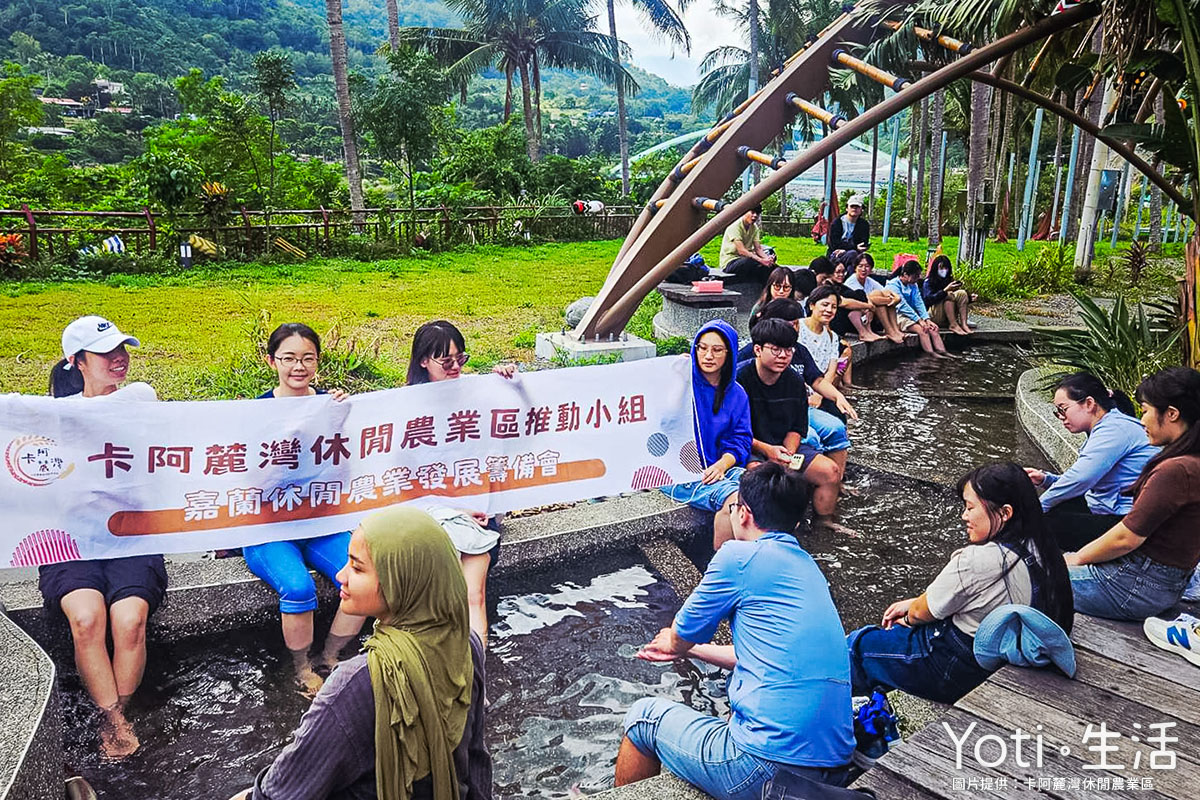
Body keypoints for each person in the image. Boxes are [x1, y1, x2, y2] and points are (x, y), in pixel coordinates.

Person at [616, 464, 855, 800]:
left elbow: (683, 629)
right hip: (832, 766)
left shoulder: (738, 555)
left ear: (742, 514)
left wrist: (674, 641)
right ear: (795, 521)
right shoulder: (806, 567)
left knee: (644, 718)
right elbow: (758, 656)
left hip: (764, 769)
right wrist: (692, 650)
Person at [229, 507, 492, 800]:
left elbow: (278, 795)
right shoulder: (464, 642)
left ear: (399, 581)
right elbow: (475, 759)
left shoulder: (356, 683)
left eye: (357, 567)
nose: (340, 575)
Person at [42, 315, 166, 759]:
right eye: (106, 353)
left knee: (129, 620)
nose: (120, 359)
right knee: (87, 619)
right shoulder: (50, 416)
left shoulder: (140, 397)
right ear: (76, 361)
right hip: (70, 539)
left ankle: (119, 716)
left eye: (123, 349)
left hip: (132, 534)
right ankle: (111, 720)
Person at [846, 462, 1074, 704]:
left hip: (955, 666)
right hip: (999, 654)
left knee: (860, 645)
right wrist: (913, 603)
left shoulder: (976, 560)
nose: (964, 516)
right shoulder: (1040, 546)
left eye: (970, 508)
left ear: (1005, 513)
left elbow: (923, 612)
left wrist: (906, 618)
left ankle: (831, 713)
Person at [249, 323, 365, 697]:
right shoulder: (250, 414)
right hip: (270, 527)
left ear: (317, 361)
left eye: (307, 358)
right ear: (271, 361)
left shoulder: (330, 406)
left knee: (364, 577)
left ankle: (330, 656)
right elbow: (246, 483)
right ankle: (300, 669)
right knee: (298, 588)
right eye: (288, 358)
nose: (298, 367)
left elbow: (345, 471)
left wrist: (339, 422)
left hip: (321, 520)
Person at [406, 319, 514, 646]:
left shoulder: (479, 393)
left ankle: (474, 666)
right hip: (433, 514)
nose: (456, 367)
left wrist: (511, 383)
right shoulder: (404, 410)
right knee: (446, 585)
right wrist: (452, 511)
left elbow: (519, 422)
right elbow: (403, 483)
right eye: (446, 361)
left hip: (478, 513)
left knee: (472, 593)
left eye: (461, 359)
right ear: (423, 360)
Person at [1066, 367, 1200, 620]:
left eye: (1145, 411)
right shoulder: (1191, 461)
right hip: (1163, 585)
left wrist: (1077, 559)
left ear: (1171, 414)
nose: (1141, 421)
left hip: (1132, 586)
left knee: (1025, 574)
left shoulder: (1176, 470)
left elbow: (1126, 538)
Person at [1024, 373, 1158, 552]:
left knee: (1046, 523)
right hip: (1110, 508)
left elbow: (1080, 479)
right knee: (1055, 508)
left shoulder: (1114, 429)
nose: (1061, 417)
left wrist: (1037, 509)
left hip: (1129, 522)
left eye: (1063, 409)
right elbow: (1085, 482)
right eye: (1057, 412)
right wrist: (1046, 479)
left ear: (1089, 403)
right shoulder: (1108, 426)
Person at [736, 318, 846, 526]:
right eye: (776, 350)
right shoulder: (739, 379)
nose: (783, 356)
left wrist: (787, 455)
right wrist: (768, 450)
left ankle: (824, 520)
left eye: (789, 350)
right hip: (749, 446)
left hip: (784, 447)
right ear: (758, 350)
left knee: (830, 472)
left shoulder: (795, 382)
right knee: (762, 479)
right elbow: (733, 430)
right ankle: (765, 528)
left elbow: (797, 427)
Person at [661, 321, 752, 550]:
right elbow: (664, 421)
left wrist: (722, 465)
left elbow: (741, 439)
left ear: (729, 353)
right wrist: (677, 380)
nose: (708, 355)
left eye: (717, 350)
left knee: (760, 490)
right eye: (701, 348)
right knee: (734, 498)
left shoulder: (737, 393)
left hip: (719, 467)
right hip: (678, 472)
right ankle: (721, 571)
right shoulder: (678, 383)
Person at [885, 260, 949, 357]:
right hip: (897, 316)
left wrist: (927, 319)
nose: (918, 278)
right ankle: (931, 354)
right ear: (905, 274)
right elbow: (903, 306)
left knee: (933, 329)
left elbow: (919, 302)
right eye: (916, 276)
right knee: (922, 330)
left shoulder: (913, 285)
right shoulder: (893, 285)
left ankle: (943, 352)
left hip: (912, 315)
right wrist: (919, 320)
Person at [799, 285, 854, 392]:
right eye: (825, 305)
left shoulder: (832, 337)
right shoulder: (797, 328)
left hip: (821, 390)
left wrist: (820, 394)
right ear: (812, 305)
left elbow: (830, 372)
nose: (829, 310)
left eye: (834, 307)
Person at [811, 257, 876, 341]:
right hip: (830, 321)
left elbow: (863, 295)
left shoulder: (839, 286)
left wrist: (868, 306)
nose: (841, 275)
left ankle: (869, 332)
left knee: (859, 294)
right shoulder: (822, 287)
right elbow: (843, 302)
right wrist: (869, 306)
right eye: (838, 272)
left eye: (843, 272)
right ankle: (864, 333)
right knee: (849, 307)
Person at [844, 253, 904, 344]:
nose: (863, 269)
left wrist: (896, 297)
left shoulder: (868, 280)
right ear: (855, 268)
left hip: (871, 315)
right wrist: (889, 300)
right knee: (879, 297)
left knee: (882, 295)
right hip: (858, 319)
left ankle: (895, 330)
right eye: (860, 266)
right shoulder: (851, 282)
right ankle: (889, 331)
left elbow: (886, 291)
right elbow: (865, 300)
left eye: (867, 266)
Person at [718, 204, 776, 283]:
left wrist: (767, 259)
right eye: (752, 212)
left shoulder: (754, 228)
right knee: (750, 262)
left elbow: (758, 248)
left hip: (748, 259)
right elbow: (741, 250)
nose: (755, 216)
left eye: (757, 214)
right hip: (731, 262)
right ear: (745, 212)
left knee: (772, 265)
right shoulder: (735, 226)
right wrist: (760, 260)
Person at [922, 255, 974, 336]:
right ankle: (953, 324)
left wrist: (970, 298)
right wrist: (945, 291)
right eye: (941, 268)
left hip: (950, 313)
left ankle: (964, 324)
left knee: (962, 293)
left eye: (946, 268)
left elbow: (957, 298)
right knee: (948, 295)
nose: (944, 271)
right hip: (934, 314)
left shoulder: (948, 280)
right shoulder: (928, 282)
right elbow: (928, 300)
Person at [827, 195, 870, 260]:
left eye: (857, 207)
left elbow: (863, 243)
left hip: (855, 254)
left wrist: (851, 249)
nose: (854, 209)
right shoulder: (837, 223)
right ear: (847, 208)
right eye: (852, 206)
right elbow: (834, 243)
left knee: (853, 256)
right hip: (836, 253)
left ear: (862, 209)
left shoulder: (864, 225)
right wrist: (853, 247)